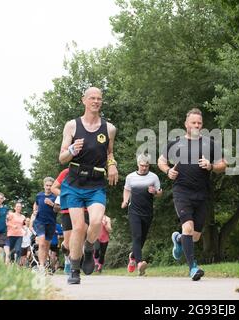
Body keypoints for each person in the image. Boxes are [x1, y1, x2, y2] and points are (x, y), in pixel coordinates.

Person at [158, 108, 227, 281]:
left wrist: (211, 165)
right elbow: (161, 160)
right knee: (188, 227)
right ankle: (192, 267)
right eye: (193, 122)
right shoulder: (175, 143)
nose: (196, 125)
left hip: (202, 194)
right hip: (182, 191)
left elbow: (223, 165)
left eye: (199, 123)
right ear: (186, 124)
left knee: (194, 236)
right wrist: (168, 171)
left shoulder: (210, 144)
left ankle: (180, 239)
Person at [59, 87, 118, 285]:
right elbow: (62, 158)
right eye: (92, 98)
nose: (96, 101)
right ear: (83, 100)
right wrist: (71, 150)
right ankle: (74, 270)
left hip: (96, 183)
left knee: (95, 222)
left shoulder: (109, 128)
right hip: (74, 182)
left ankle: (89, 247)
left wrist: (112, 166)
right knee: (78, 227)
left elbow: (109, 154)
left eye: (99, 99)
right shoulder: (72, 126)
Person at [122, 154, 162, 276]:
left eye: (146, 166)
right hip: (133, 211)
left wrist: (155, 192)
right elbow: (127, 189)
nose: (144, 168)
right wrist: (125, 200)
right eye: (142, 165)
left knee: (142, 238)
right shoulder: (130, 177)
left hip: (148, 212)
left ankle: (133, 256)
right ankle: (139, 263)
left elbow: (160, 192)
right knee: (137, 236)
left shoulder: (153, 177)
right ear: (138, 164)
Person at [31, 177, 57, 274]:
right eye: (47, 185)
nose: (49, 187)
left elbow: (59, 209)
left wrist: (52, 204)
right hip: (40, 222)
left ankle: (44, 264)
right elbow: (36, 204)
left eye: (50, 186)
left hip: (51, 223)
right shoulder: (39, 196)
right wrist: (34, 210)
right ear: (44, 186)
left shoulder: (55, 197)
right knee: (41, 243)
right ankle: (41, 266)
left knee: (46, 246)